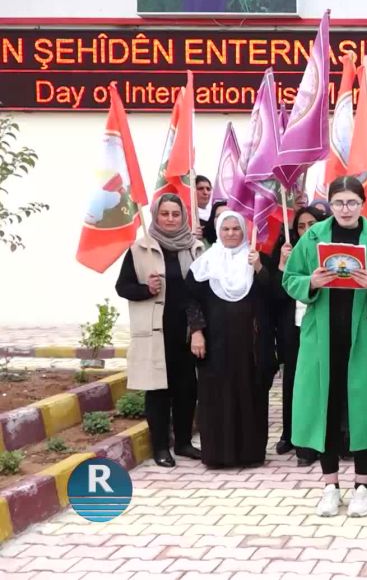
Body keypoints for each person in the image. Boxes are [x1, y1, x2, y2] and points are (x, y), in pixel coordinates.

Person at [282, 176, 367, 517]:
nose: (345, 209)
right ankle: (330, 485)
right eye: (338, 203)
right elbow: (290, 278)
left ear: (362, 204)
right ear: (329, 204)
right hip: (323, 338)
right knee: (327, 409)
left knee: (361, 410)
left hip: (364, 338)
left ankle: (362, 486)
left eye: (351, 202)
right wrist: (312, 282)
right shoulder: (313, 236)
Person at [114, 194, 203, 467]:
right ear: (156, 215)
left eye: (175, 214)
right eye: (165, 213)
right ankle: (161, 447)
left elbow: (200, 292)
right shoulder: (140, 248)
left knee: (187, 389)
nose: (170, 219)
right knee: (158, 391)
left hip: (186, 331)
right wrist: (145, 290)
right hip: (156, 331)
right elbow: (122, 286)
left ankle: (185, 442)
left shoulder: (195, 248)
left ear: (183, 217)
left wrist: (199, 328)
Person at [186, 211, 270, 469]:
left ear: (244, 232)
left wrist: (258, 268)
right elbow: (190, 299)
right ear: (218, 232)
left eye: (236, 229)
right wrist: (197, 331)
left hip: (249, 345)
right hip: (215, 343)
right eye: (226, 229)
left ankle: (251, 454)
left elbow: (274, 295)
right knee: (216, 396)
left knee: (249, 394)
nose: (232, 234)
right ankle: (218, 455)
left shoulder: (255, 258)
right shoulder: (206, 262)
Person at [269, 206, 326, 466]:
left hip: (320, 325)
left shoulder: (328, 250)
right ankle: (290, 434)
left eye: (311, 224)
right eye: (300, 226)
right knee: (293, 381)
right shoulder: (286, 252)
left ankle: (323, 437)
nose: (305, 230)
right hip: (292, 327)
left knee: (321, 382)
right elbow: (277, 295)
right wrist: (282, 264)